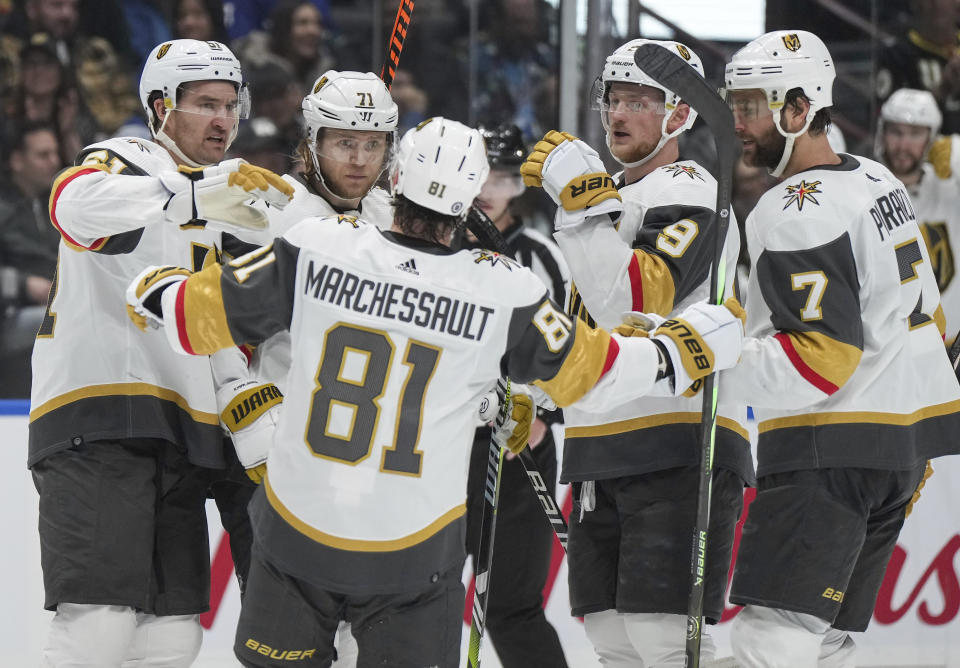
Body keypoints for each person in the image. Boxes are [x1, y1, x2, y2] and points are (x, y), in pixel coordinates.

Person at [125, 115, 747, 668]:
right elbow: (600, 374)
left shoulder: (318, 246)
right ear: (471, 198)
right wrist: (681, 350)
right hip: (411, 554)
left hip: (296, 536)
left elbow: (185, 318)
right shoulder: (502, 287)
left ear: (394, 177)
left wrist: (150, 283)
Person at [28, 38, 293, 667]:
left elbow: (221, 321)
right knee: (97, 627)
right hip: (99, 419)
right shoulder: (130, 159)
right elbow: (72, 205)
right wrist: (192, 197)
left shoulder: (227, 195)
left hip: (181, 430)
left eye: (231, 104)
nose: (224, 120)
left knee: (172, 637)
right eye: (204, 103)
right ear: (159, 106)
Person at [722, 30, 960, 667]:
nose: (738, 122)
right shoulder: (878, 179)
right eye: (735, 104)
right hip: (895, 452)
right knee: (823, 644)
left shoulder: (791, 209)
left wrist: (709, 367)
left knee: (768, 639)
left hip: (828, 451)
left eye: (752, 106)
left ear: (799, 109)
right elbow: (935, 321)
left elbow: (819, 360)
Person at [521, 38, 752, 666]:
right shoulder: (610, 200)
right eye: (614, 99)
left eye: (640, 102)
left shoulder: (694, 188)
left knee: (665, 641)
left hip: (678, 441)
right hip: (602, 444)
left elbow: (630, 301)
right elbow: (585, 331)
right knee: (613, 641)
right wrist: (533, 395)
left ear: (679, 115)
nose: (619, 115)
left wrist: (579, 207)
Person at [464, 123, 570, 668]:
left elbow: (572, 343)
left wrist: (543, 412)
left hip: (519, 446)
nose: (488, 189)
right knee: (416, 595)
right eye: (479, 175)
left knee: (512, 605)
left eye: (503, 177)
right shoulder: (436, 248)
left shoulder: (542, 255)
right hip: (439, 443)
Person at [875, 88, 960, 342]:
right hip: (891, 349)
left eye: (914, 134)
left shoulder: (950, 188)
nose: (903, 145)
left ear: (932, 138)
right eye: (896, 132)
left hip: (951, 346)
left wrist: (955, 153)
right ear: (883, 132)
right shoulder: (864, 188)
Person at [0, 120, 63, 397]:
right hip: (12, 314)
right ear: (16, 160)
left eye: (54, 153)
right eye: (42, 155)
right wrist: (26, 284)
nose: (54, 162)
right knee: (64, 321)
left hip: (54, 301)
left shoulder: (56, 203)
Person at [875, 0, 960, 134]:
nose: (936, 4)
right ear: (915, 3)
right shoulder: (896, 54)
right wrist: (942, 90)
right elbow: (885, 121)